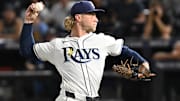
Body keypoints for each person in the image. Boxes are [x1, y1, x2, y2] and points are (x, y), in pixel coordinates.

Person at [20, 1, 154, 101]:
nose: (96, 18)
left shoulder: (102, 40)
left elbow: (123, 50)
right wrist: (28, 23)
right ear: (78, 17)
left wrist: (142, 62)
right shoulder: (58, 45)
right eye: (92, 14)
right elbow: (27, 51)